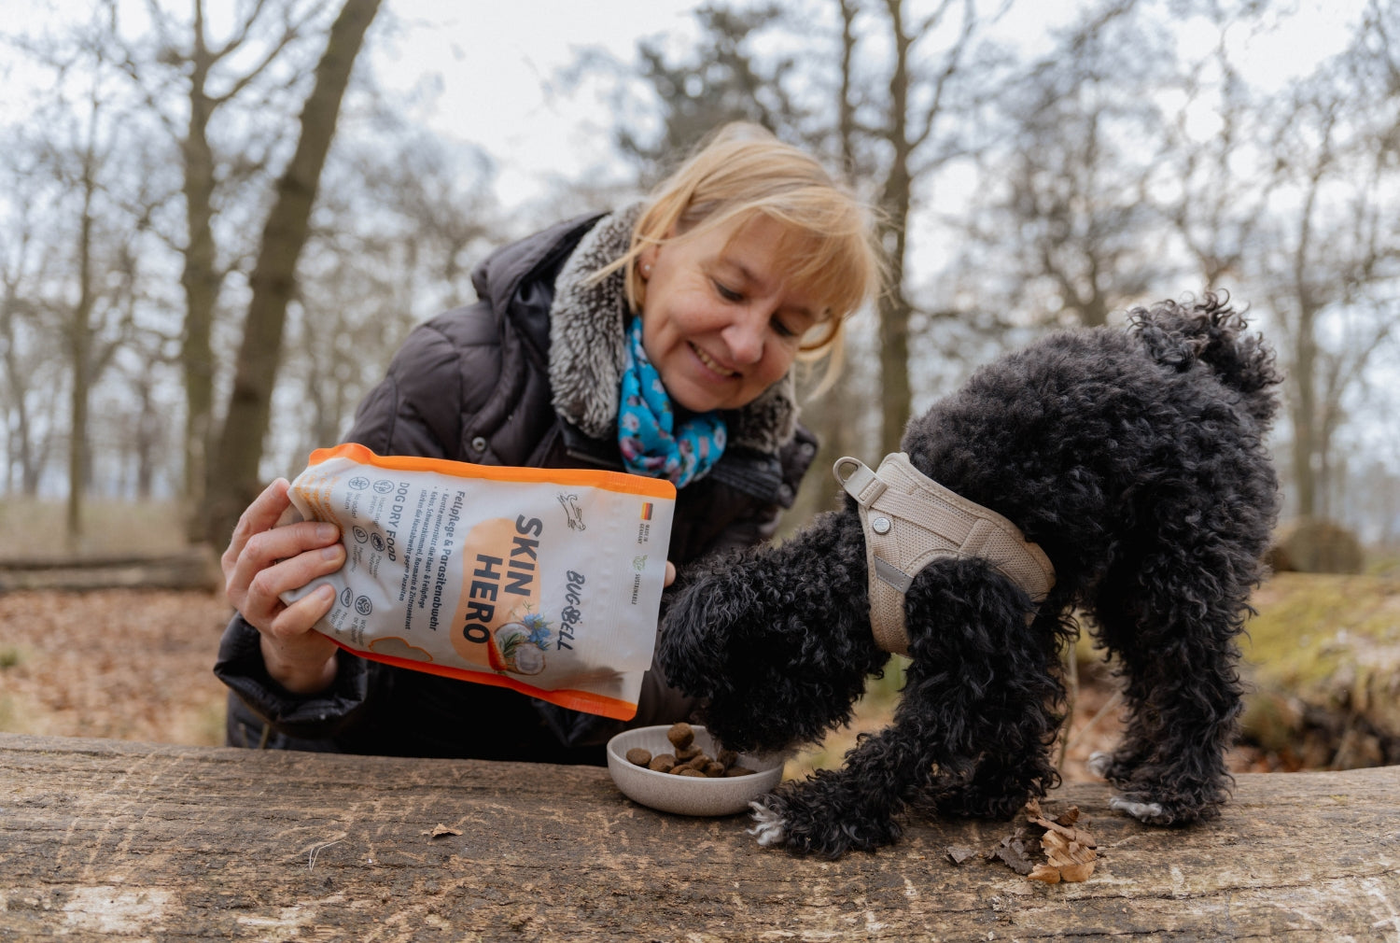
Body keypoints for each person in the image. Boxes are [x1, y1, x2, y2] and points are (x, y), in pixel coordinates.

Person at [214, 122, 882, 763]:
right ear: (656, 243)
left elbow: (704, 695)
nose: (745, 343)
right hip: (381, 788)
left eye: (787, 326)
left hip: (580, 813)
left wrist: (603, 647)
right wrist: (294, 656)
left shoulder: (756, 468)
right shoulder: (459, 373)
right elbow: (326, 654)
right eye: (729, 288)